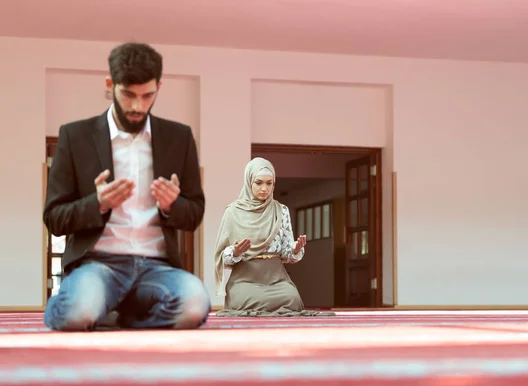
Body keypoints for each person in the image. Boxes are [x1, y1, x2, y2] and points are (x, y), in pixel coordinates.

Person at [43, 42, 210, 331]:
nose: (137, 106)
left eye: (147, 96)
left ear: (159, 86)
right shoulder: (75, 136)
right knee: (76, 314)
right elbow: (54, 218)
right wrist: (97, 203)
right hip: (98, 265)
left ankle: (124, 317)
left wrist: (172, 205)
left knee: (194, 307)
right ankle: (83, 302)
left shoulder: (179, 138)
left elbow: (194, 213)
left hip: (157, 267)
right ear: (111, 84)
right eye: (128, 95)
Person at [213, 157, 334, 317]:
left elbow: (286, 254)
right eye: (259, 182)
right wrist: (234, 253)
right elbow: (222, 258)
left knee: (292, 299)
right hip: (245, 280)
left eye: (269, 183)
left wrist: (295, 249)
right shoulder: (232, 212)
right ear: (249, 181)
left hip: (277, 279)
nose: (264, 188)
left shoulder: (281, 210)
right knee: (250, 301)